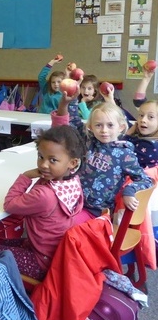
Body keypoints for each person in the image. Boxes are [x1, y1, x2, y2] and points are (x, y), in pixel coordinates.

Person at [0, 125, 86, 280]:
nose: (43, 165)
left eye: (53, 160)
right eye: (41, 157)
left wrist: (26, 176)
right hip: (55, 256)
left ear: (72, 163)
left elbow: (9, 204)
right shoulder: (72, 182)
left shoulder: (45, 196)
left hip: (40, 262)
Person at [53, 92, 153, 223]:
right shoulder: (89, 140)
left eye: (110, 125)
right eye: (98, 125)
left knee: (61, 224)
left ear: (121, 127)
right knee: (47, 216)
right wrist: (72, 99)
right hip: (72, 200)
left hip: (96, 211)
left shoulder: (125, 155)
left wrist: (129, 190)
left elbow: (146, 180)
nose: (104, 130)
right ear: (90, 127)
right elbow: (74, 122)